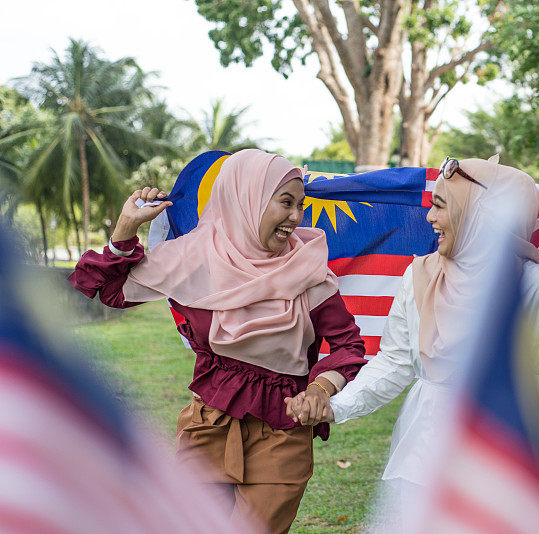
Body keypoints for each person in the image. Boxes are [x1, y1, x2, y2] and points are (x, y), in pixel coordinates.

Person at [286, 155, 539, 502]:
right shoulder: (419, 276)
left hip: (511, 434)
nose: (430, 217)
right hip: (431, 439)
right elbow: (393, 364)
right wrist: (339, 406)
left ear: (478, 215)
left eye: (442, 206)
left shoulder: (532, 283)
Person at [69, 149, 367, 534]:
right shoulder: (193, 257)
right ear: (246, 199)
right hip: (208, 422)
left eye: (300, 205)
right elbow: (106, 290)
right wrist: (126, 227)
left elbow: (348, 346)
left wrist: (321, 389)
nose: (296, 217)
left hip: (281, 429)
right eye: (286, 203)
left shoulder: (308, 270)